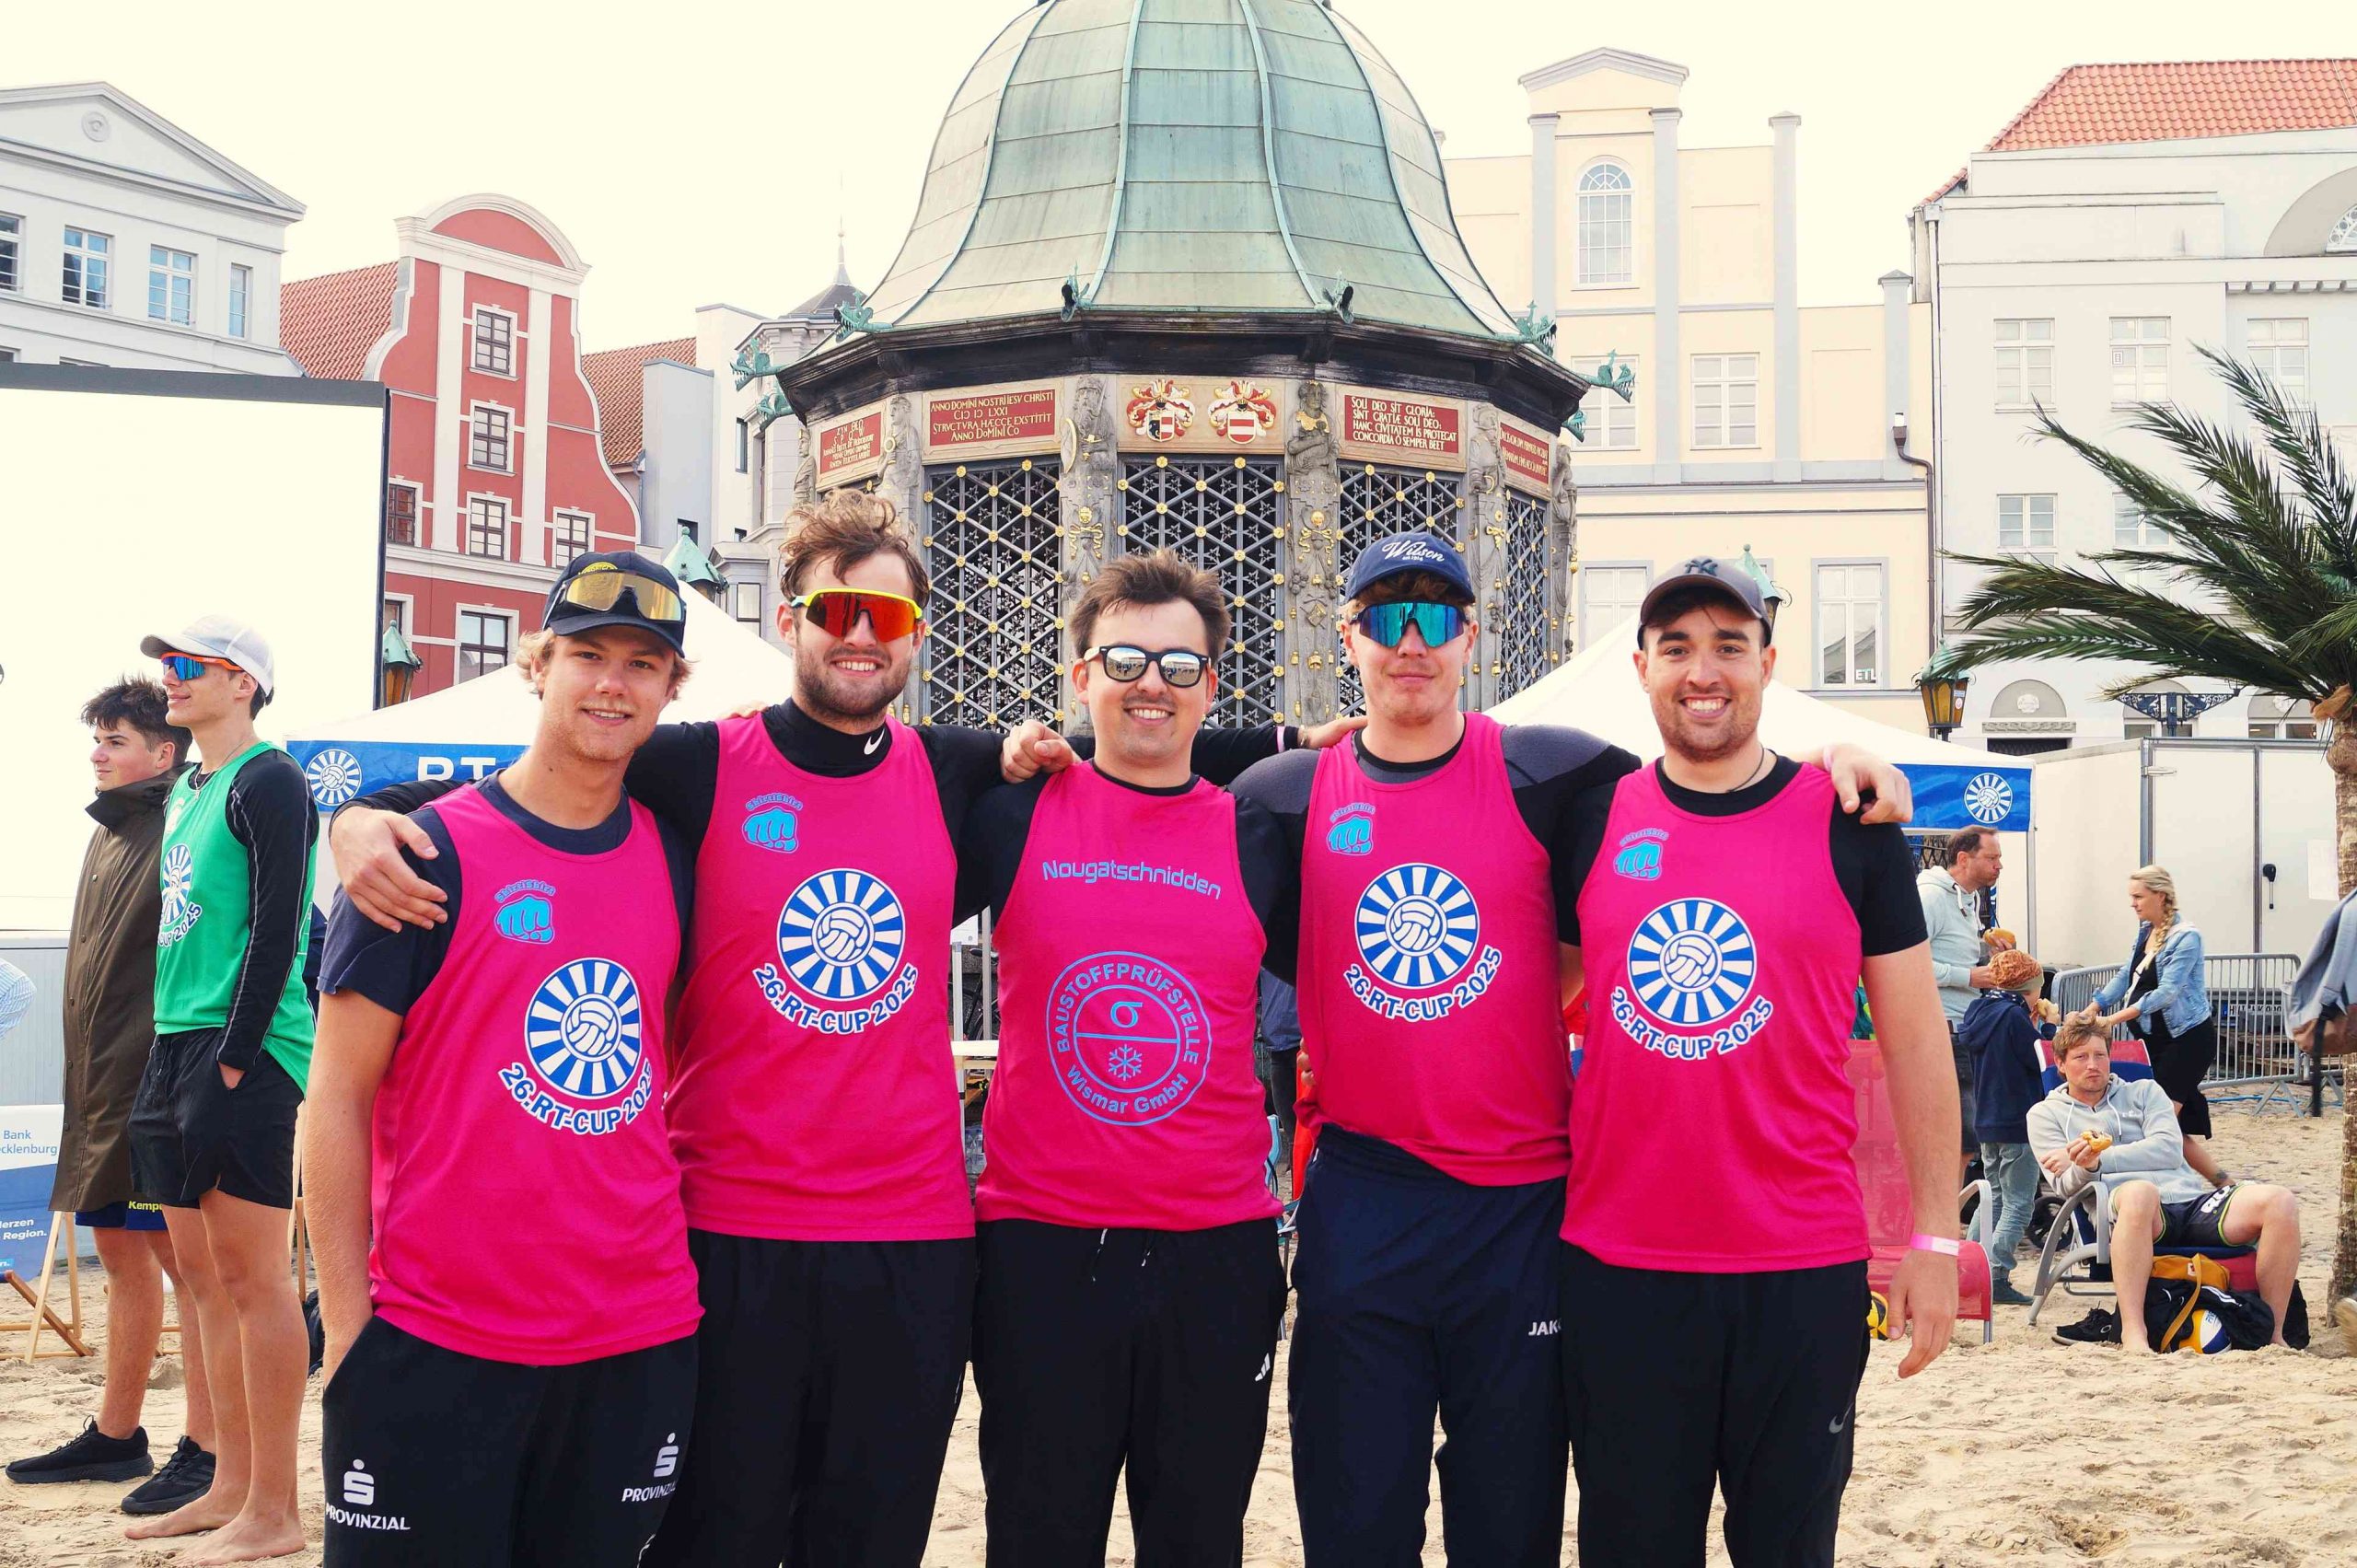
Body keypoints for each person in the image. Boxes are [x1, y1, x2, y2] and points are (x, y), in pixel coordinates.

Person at [324, 492, 1345, 1568]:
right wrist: (360, 813)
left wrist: (1291, 740)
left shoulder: (954, 773)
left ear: (915, 635)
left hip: (914, 1245)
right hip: (727, 1234)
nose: (861, 634)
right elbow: (541, 777)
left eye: (886, 616)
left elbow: (1140, 740)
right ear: (789, 620)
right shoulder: (702, 765)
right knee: (718, 1537)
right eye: (836, 610)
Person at [1229, 539, 1915, 1568]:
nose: (1410, 641)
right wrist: (1282, 734)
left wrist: (1834, 756)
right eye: (1384, 618)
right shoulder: (1285, 792)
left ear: (1470, 635)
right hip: (1367, 1194)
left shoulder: (1554, 771)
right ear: (1347, 636)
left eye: (1434, 618)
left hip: (1525, 1208)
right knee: (1356, 1524)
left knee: (1511, 1530)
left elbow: (1713, 782)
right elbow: (1150, 781)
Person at [1556, 558, 1957, 1568]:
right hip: (1622, 1268)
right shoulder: (1588, 818)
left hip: (1799, 1269)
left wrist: (1935, 1239)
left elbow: (1916, 1041)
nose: (1704, 671)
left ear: (1767, 664)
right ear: (1641, 668)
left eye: (1729, 646)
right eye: (1678, 648)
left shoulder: (1852, 823)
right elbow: (1518, 1000)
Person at [308, 554, 702, 1565]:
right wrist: (346, 1329)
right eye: (588, 655)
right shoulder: (415, 858)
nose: (612, 682)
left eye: (643, 663)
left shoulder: (677, 854)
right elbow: (334, 1099)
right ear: (537, 664)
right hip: (437, 1335)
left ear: (672, 688)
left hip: (635, 1333)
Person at [956, 551, 1292, 1566]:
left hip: (1216, 1249)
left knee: (1197, 1539)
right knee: (1037, 1535)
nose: (1153, 683)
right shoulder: (1011, 812)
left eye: (1179, 666)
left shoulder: (1259, 833)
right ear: (1080, 675)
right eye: (1125, 660)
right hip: (1044, 1246)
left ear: (1211, 687)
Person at [122, 617, 316, 1565]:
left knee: (254, 1279)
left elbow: (280, 926)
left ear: (244, 682)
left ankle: (276, 1506)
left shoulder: (269, 778)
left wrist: (235, 1055)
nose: (171, 677)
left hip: (242, 1048)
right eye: (167, 663)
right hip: (173, 1041)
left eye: (190, 664)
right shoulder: (188, 788)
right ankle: (229, 1487)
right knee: (201, 1281)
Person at [7, 680, 216, 1516]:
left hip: (152, 1081)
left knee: (184, 1263)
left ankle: (208, 1446)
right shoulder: (110, 831)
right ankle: (118, 1433)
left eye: (116, 739)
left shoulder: (182, 822)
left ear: (164, 752)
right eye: (97, 737)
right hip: (98, 1084)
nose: (98, 753)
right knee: (124, 1255)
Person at [2027, 1017, 2302, 1351]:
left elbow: (2169, 1149)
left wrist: (2099, 1157)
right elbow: (2065, 1186)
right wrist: (2086, 1168)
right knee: (2141, 1192)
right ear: (2060, 1064)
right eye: (2081, 1057)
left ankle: (2272, 1333)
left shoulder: (2145, 1092)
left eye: (2100, 1055)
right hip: (2133, 1211)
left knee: (2280, 1201)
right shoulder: (2045, 1115)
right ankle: (2133, 1332)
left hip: (2191, 1202)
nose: (2093, 1065)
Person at [2084, 865, 2226, 1185]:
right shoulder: (2146, 931)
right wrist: (2094, 1007)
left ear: (2160, 896)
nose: (2132, 903)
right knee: (2168, 1124)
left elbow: (2167, 993)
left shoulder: (2187, 937)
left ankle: (2164, 1185)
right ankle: (2222, 1182)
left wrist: (2112, 1019)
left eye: (2138, 897)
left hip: (2187, 1040)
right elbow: (2126, 975)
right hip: (2157, 1041)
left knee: (2156, 1121)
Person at [1958, 947, 2057, 1305]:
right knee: (2018, 1203)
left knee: (1994, 1198)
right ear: (2029, 988)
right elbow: (2042, 1060)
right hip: (2018, 1121)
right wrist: (2049, 1025)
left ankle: (1967, 1269)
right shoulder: (2014, 1018)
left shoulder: (1978, 1010)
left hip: (1987, 1119)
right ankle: (1996, 1273)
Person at [1918, 829, 2008, 1177]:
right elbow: (1910, 963)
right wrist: (1971, 977)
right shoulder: (1931, 897)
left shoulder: (1968, 898)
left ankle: (1945, 1207)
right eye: (1992, 857)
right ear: (1963, 859)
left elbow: (1949, 952)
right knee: (1961, 1139)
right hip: (1943, 1030)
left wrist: (1988, 954)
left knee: (1965, 1139)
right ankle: (1941, 1209)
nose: (1999, 865)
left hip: (1962, 1028)